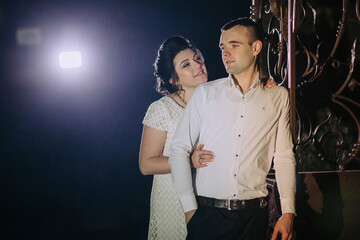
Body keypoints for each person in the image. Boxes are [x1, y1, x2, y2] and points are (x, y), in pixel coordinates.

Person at [169, 17, 296, 240]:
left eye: (234, 45)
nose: (225, 53)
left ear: (256, 48)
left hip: (254, 216)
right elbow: (178, 149)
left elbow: (284, 157)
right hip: (208, 216)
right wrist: (190, 210)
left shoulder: (277, 96)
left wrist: (288, 212)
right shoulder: (206, 94)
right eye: (222, 47)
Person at [139, 36, 215, 240]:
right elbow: (146, 164)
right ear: (175, 79)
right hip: (172, 199)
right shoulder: (162, 109)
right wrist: (189, 161)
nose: (197, 65)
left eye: (197, 58)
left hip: (210, 197)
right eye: (186, 65)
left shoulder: (215, 100)